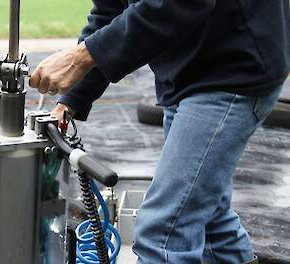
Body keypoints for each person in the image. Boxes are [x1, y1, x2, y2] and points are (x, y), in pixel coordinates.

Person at [28, 0, 290, 263]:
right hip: (187, 71)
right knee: (210, 222)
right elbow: (111, 11)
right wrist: (69, 102)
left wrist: (83, 56)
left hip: (232, 69)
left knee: (164, 231)